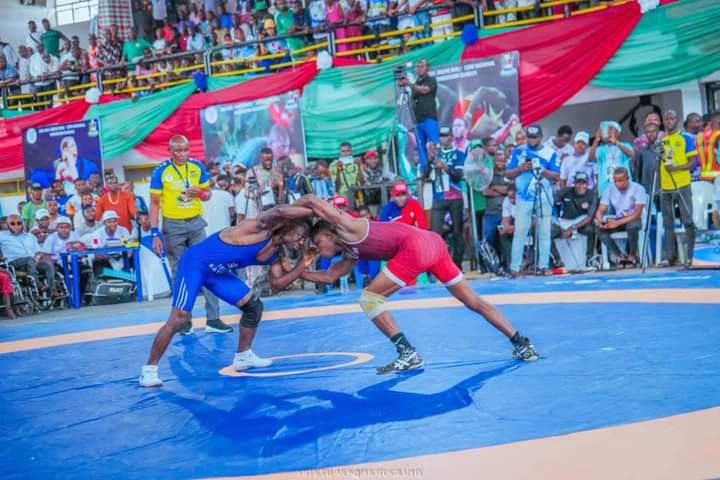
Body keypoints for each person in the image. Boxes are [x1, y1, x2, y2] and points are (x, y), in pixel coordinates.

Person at [289, 194, 538, 374]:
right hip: (433, 243)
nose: (317, 250)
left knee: (369, 299)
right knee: (473, 301)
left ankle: (407, 353)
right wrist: (297, 271)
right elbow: (330, 277)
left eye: (317, 243)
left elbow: (311, 200)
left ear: (329, 234)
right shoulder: (350, 252)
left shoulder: (348, 227)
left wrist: (283, 217)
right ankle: (521, 343)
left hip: (416, 247)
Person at [138, 205, 314, 387]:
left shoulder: (275, 254)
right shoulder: (257, 229)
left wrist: (302, 265)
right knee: (179, 318)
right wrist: (317, 209)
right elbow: (280, 211)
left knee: (253, 306)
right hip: (195, 263)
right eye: (300, 236)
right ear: (288, 226)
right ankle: (148, 371)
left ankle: (243, 356)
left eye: (304, 240)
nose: (301, 242)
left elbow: (276, 285)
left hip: (217, 272)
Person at [149, 135, 231, 335]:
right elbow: (154, 203)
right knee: (180, 273)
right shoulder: (161, 171)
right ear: (170, 151)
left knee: (208, 266)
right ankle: (183, 322)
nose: (183, 154)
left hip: (195, 223)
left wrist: (201, 194)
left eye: (186, 150)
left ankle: (213, 319)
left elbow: (208, 194)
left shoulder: (196, 167)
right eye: (178, 151)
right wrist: (154, 233)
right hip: (172, 225)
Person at [505, 124, 560, 276]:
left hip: (543, 195)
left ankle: (543, 265)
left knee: (544, 231)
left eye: (535, 137)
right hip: (523, 196)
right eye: (529, 137)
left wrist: (542, 170)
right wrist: (521, 168)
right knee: (520, 231)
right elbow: (508, 174)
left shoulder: (550, 153)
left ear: (541, 137)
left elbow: (556, 176)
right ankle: (515, 268)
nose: (532, 140)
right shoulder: (518, 151)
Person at [659, 110, 696, 267]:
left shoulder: (686, 138)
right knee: (668, 224)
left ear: (678, 120)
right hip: (665, 187)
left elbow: (692, 163)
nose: (669, 121)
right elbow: (661, 161)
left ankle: (691, 257)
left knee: (687, 220)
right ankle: (670, 257)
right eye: (666, 118)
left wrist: (676, 168)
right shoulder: (662, 140)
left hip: (682, 184)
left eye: (672, 118)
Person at [425, 126, 466, 268]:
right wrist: (429, 161)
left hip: (455, 197)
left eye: (447, 135)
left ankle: (457, 265)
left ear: (452, 137)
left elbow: (458, 176)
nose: (445, 138)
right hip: (438, 197)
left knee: (457, 231)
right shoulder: (434, 154)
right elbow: (424, 176)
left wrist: (446, 167)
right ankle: (437, 265)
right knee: (436, 233)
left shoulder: (459, 154)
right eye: (442, 135)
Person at [594, 167, 646, 267]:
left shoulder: (638, 189)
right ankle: (620, 256)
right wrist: (600, 220)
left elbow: (637, 214)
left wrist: (616, 223)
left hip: (634, 219)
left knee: (632, 226)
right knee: (599, 229)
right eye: (616, 181)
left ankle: (632, 256)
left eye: (621, 181)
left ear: (628, 178)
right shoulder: (609, 189)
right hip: (619, 219)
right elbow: (600, 210)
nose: (618, 184)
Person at [0, 214, 56, 296]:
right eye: (12, 224)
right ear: (7, 225)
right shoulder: (2, 235)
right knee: (29, 259)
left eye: (19, 223)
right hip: (14, 263)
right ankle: (38, 285)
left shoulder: (30, 236)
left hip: (33, 262)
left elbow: (38, 251)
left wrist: (38, 257)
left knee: (48, 264)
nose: (16, 226)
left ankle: (52, 291)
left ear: (22, 223)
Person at [398, 59, 438, 171]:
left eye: (422, 66)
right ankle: (425, 169)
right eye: (417, 66)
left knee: (435, 143)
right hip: (418, 120)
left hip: (429, 118)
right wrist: (404, 85)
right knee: (420, 147)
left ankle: (438, 166)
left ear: (427, 68)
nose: (419, 68)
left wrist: (409, 84)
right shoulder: (415, 83)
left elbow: (424, 90)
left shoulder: (431, 80)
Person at [551, 172, 598, 266]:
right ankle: (557, 259)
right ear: (574, 183)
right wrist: (556, 220)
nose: (581, 185)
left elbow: (589, 217)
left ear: (587, 184)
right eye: (578, 183)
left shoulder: (592, 195)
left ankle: (589, 258)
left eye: (583, 183)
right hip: (564, 221)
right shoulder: (566, 191)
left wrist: (572, 228)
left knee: (591, 229)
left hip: (580, 222)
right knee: (547, 231)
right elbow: (551, 203)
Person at [589, 121, 634, 195]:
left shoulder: (625, 145)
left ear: (618, 132)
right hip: (605, 188)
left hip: (623, 188)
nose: (607, 131)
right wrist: (596, 141)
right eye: (605, 129)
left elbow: (632, 155)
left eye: (610, 129)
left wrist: (616, 142)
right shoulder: (601, 149)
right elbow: (590, 159)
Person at [481, 145, 510, 245]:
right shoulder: (488, 174)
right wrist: (504, 192)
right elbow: (485, 192)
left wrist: (494, 187)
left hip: (506, 214)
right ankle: (489, 261)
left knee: (505, 241)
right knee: (488, 241)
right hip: (491, 213)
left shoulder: (510, 173)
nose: (500, 163)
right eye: (498, 160)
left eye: (503, 161)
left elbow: (510, 191)